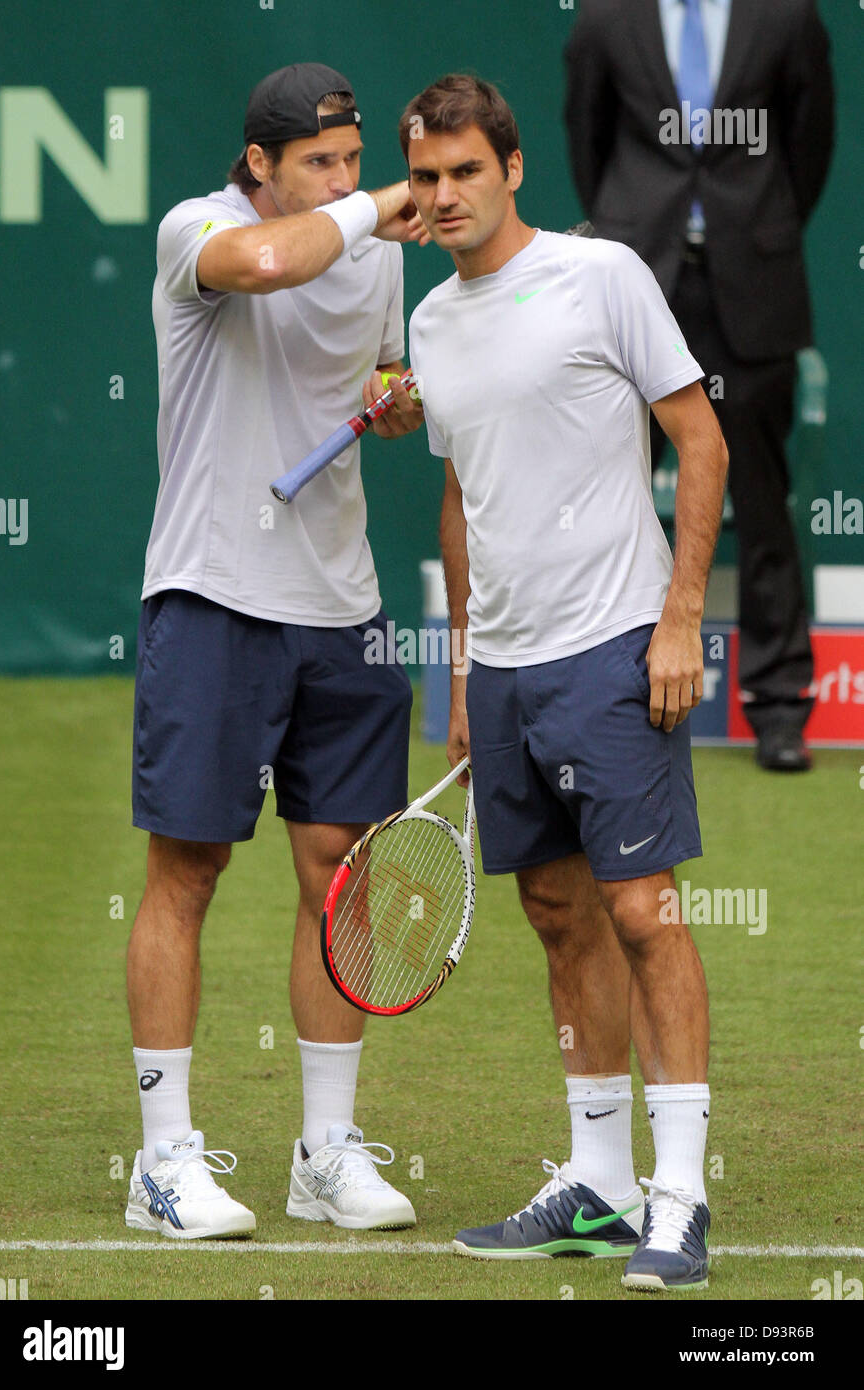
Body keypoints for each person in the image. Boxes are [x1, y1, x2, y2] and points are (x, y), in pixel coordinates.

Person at [403, 74, 728, 1290]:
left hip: (614, 644)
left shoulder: (604, 277)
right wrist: (462, 669)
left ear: (514, 168)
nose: (443, 196)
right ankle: (596, 1182)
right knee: (558, 913)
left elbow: (701, 438)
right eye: (426, 178)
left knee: (645, 912)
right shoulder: (431, 325)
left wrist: (681, 617)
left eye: (464, 172)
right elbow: (460, 500)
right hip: (507, 668)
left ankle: (678, 1196)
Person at [126, 62, 426, 1239]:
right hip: (211, 589)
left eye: (355, 162)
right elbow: (269, 263)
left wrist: (393, 397)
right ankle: (161, 1165)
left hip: (339, 606)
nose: (347, 185)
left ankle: (326, 1154)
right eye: (321, 164)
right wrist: (368, 211)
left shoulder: (373, 248)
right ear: (260, 164)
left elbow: (384, 376)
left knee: (338, 879)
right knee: (185, 874)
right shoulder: (198, 229)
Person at [565, 0, 835, 771]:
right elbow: (588, 141)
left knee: (761, 499)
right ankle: (594, 693)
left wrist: (751, 227)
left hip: (754, 282)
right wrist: (631, 232)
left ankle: (779, 710)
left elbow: (806, 144)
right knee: (597, 492)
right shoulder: (603, 17)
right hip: (631, 275)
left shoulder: (786, 15)